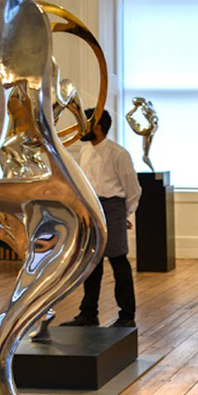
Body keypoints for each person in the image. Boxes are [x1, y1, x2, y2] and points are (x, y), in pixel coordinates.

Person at [62, 108, 141, 328]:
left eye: (84, 124)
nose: (81, 129)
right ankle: (88, 313)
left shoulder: (118, 153)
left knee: (118, 260)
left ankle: (127, 315)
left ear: (97, 127)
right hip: (91, 207)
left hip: (113, 207)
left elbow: (133, 189)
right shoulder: (85, 151)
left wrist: (124, 214)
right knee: (91, 262)